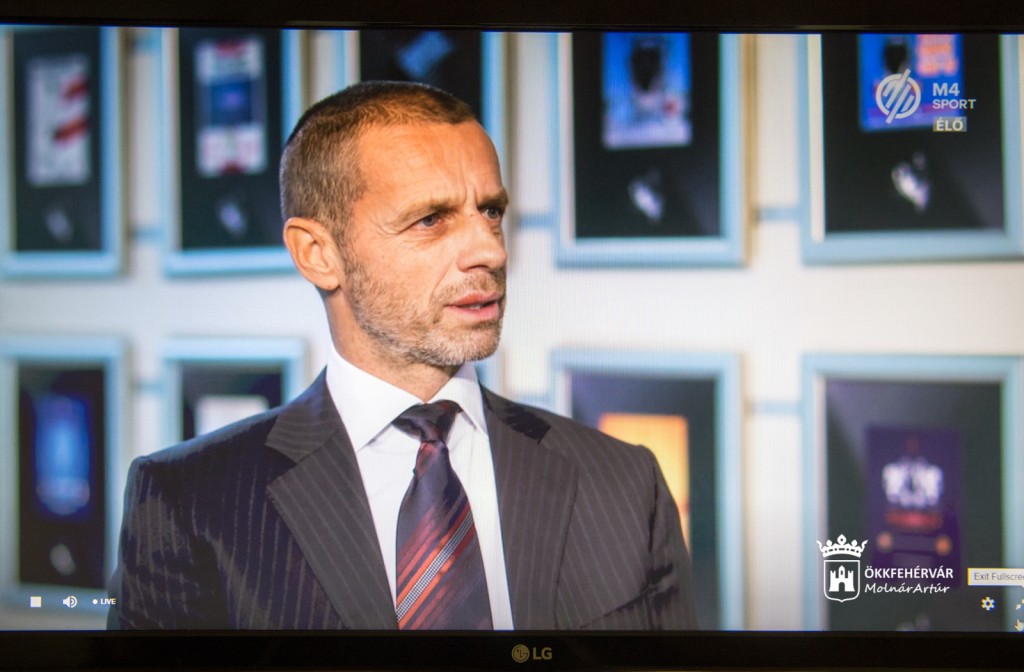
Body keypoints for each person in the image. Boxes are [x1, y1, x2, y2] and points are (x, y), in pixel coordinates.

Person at [107, 81, 696, 630]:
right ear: (317, 253)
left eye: (491, 211)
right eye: (431, 219)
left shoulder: (625, 482)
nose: (489, 252)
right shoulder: (189, 502)